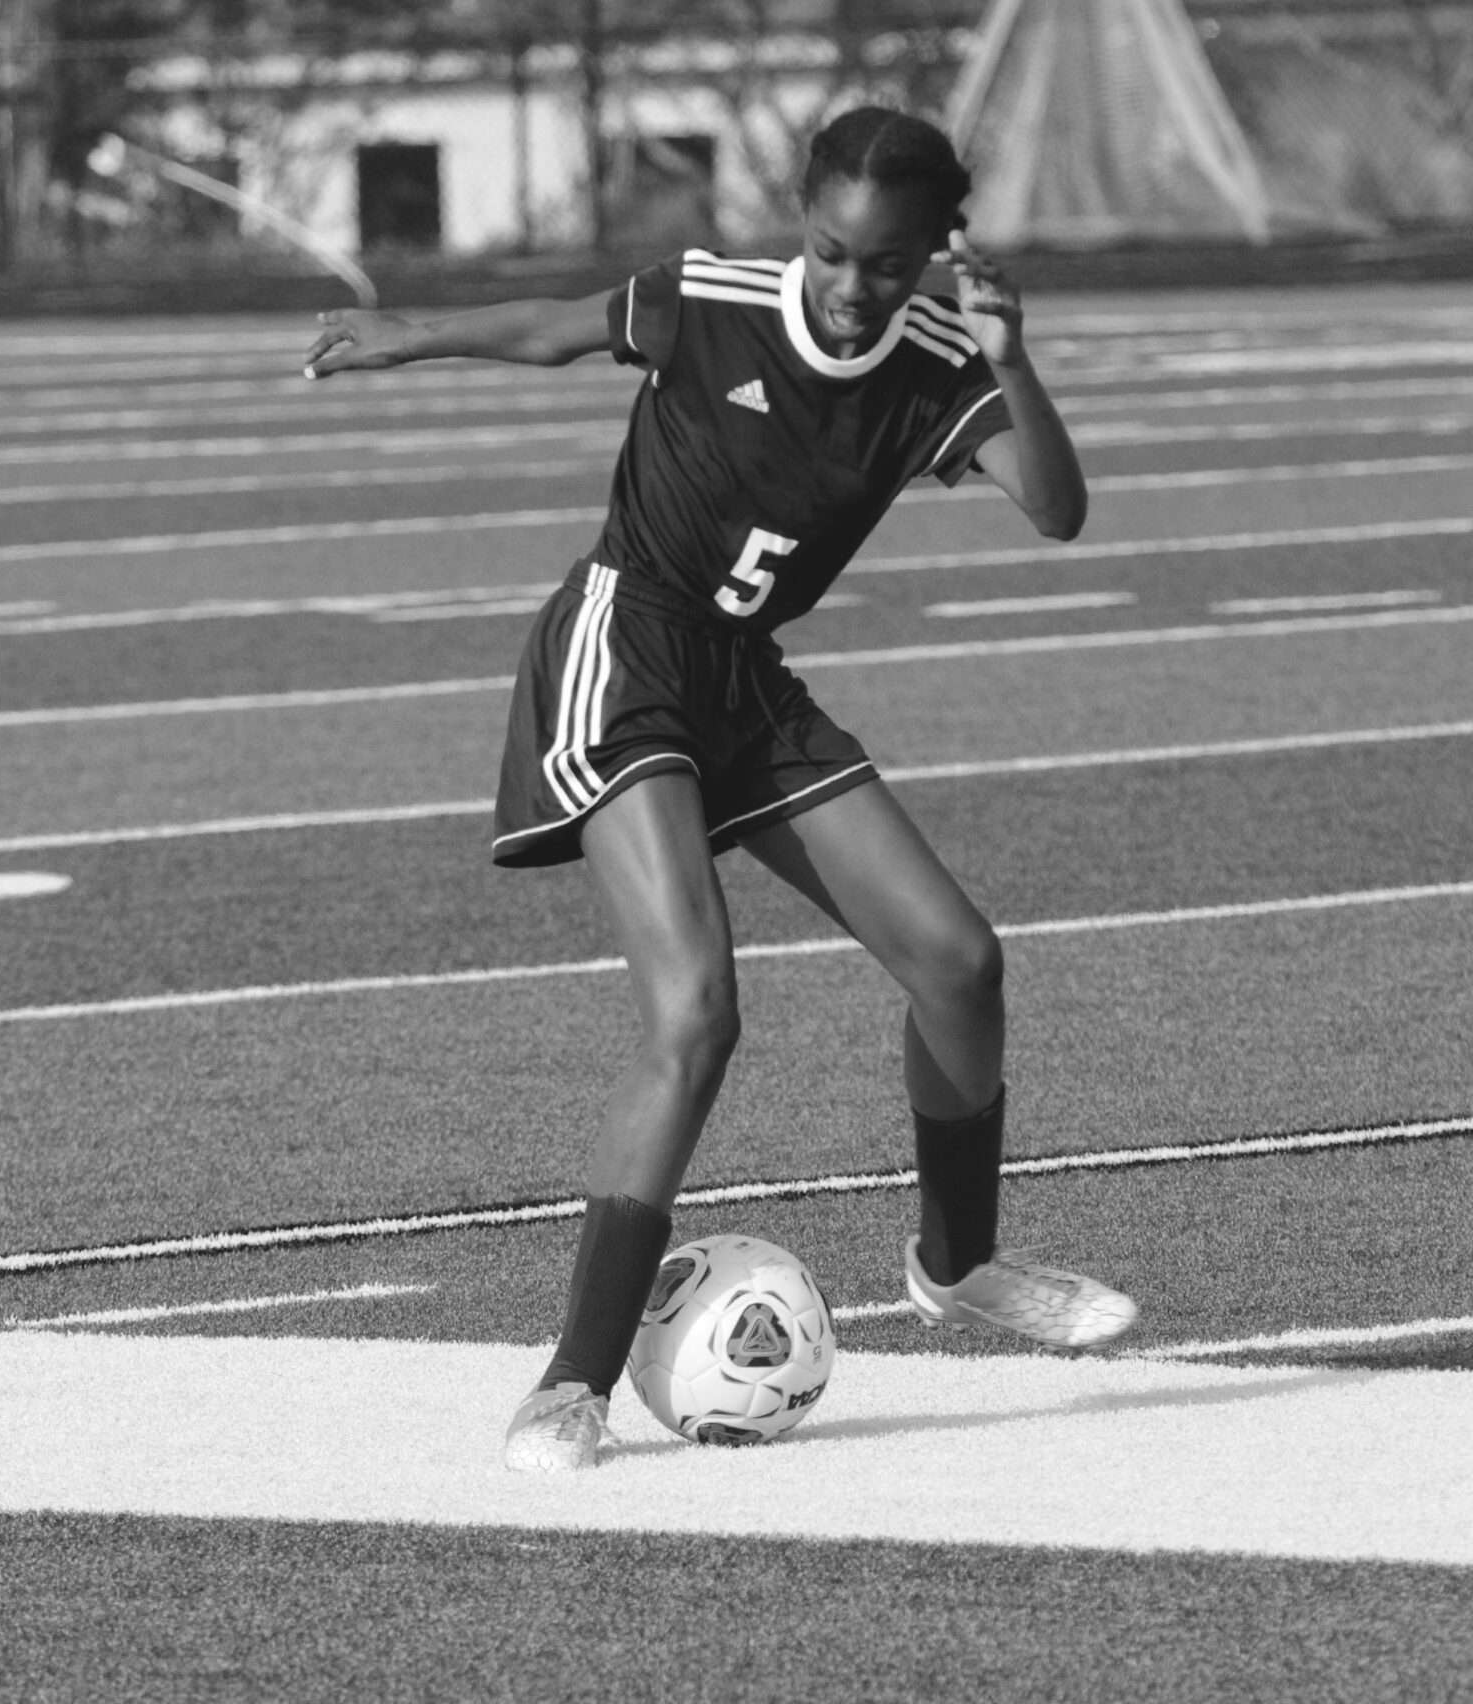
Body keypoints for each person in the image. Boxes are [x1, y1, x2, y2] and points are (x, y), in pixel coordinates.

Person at [302, 107, 1137, 1474]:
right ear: (799, 219)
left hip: (746, 678)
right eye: (831, 250)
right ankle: (571, 1384)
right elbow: (562, 327)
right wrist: (413, 335)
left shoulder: (938, 361)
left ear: (937, 251)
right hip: (625, 647)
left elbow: (1056, 509)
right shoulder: (713, 297)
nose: (853, 284)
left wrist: (1013, 359)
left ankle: (960, 1262)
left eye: (887, 263)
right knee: (697, 1008)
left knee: (960, 962)